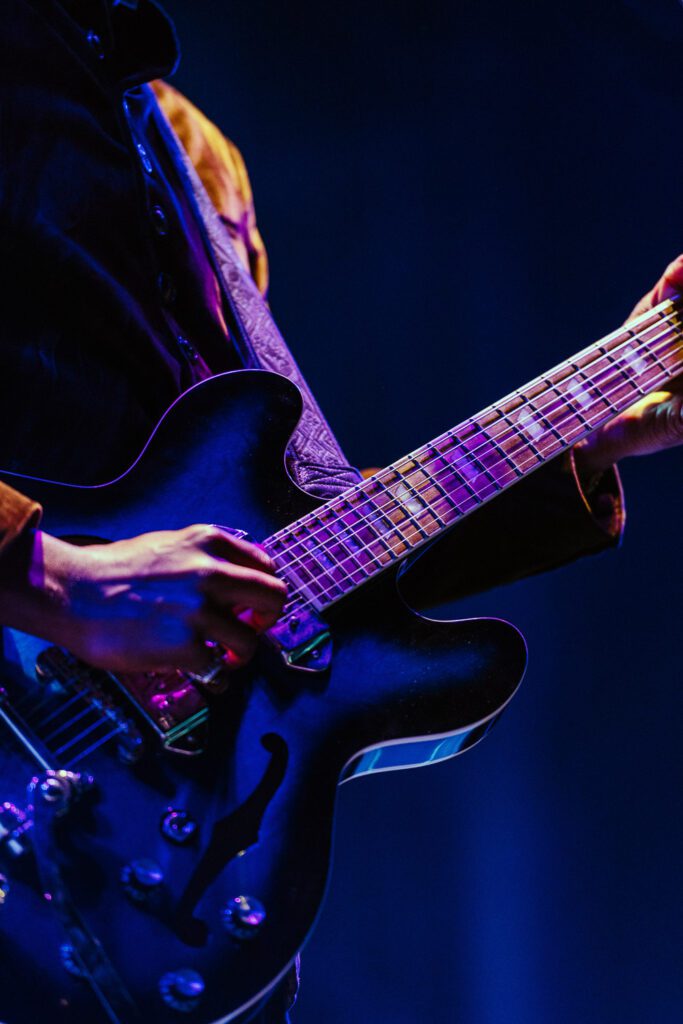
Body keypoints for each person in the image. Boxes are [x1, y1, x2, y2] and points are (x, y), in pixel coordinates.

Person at [1, 1, 683, 1020]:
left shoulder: (189, 147)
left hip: (146, 863)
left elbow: (292, 548)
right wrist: (52, 577)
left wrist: (583, 425)